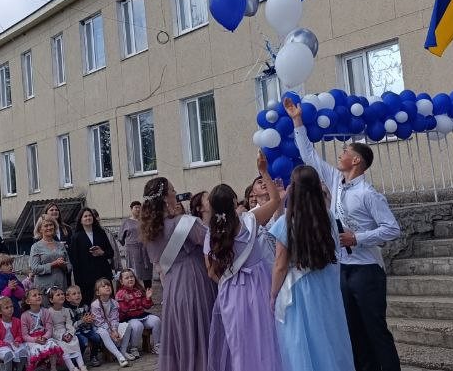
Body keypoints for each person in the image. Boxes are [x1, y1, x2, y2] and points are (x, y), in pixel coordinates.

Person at [285, 96, 401, 371]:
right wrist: (297, 121)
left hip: (367, 269)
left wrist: (357, 238)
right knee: (353, 331)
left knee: (375, 329)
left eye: (345, 150)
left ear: (356, 160)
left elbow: (392, 228)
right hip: (343, 267)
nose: (341, 153)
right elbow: (310, 156)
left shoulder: (368, 194)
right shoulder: (335, 180)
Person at [270, 165, 354, 371]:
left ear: (294, 189)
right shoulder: (328, 217)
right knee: (329, 337)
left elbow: (280, 265)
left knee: (301, 342)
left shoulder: (286, 222)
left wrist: (273, 294)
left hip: (299, 291)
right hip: (326, 284)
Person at [203, 159, 283, 371]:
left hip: (230, 291)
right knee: (265, 338)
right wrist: (263, 171)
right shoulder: (250, 220)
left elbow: (211, 272)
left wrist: (229, 281)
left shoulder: (211, 233)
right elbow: (276, 200)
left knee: (239, 343)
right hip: (258, 285)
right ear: (233, 202)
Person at [139, 177, 214, 371]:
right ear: (165, 198)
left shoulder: (150, 232)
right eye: (172, 191)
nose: (175, 194)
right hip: (194, 282)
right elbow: (214, 242)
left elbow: (158, 265)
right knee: (201, 332)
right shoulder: (184, 222)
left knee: (183, 336)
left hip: (172, 288)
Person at [67, 209, 112, 306]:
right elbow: (74, 260)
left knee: (106, 301)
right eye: (85, 216)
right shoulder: (76, 237)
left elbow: (111, 252)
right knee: (90, 302)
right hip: (86, 277)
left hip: (102, 273)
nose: (88, 218)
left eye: (90, 215)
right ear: (81, 220)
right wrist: (79, 281)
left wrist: (102, 252)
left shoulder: (101, 233)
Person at [112, 269, 158, 360]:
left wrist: (148, 298)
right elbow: (121, 312)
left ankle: (157, 345)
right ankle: (134, 347)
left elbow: (146, 306)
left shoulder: (138, 290)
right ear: (121, 281)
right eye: (127, 278)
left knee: (156, 320)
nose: (130, 279)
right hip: (128, 318)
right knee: (138, 325)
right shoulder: (120, 294)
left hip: (141, 314)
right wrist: (126, 302)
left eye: (131, 277)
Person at [86, 280, 128, 368]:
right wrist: (111, 332)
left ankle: (123, 351)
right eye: (103, 286)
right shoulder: (95, 305)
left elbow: (114, 319)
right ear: (98, 293)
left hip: (112, 327)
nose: (107, 287)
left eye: (108, 285)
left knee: (128, 326)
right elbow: (99, 322)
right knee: (103, 333)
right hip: (99, 327)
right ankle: (119, 356)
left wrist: (115, 330)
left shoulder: (114, 303)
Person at [19, 288, 62, 371]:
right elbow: (25, 335)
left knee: (52, 344)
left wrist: (45, 337)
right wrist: (35, 340)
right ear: (28, 301)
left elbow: (49, 329)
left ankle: (53, 368)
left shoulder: (45, 311)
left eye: (39, 294)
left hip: (44, 337)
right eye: (35, 295)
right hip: (32, 340)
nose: (38, 296)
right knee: (34, 350)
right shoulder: (24, 315)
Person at [45, 288, 84, 371]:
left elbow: (69, 323)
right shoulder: (49, 312)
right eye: (58, 295)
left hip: (65, 331)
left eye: (62, 294)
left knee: (75, 340)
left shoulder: (66, 310)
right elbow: (50, 328)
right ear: (51, 300)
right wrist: (61, 336)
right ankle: (72, 368)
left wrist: (70, 333)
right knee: (63, 345)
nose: (61, 296)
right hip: (56, 334)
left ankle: (82, 366)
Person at [63, 286, 101, 368]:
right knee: (84, 341)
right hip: (76, 332)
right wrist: (82, 321)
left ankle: (93, 356)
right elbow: (71, 325)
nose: (77, 295)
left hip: (86, 329)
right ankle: (78, 359)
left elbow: (89, 317)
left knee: (96, 337)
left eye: (79, 293)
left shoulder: (85, 306)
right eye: (74, 294)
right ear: (68, 298)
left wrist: (90, 319)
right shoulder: (68, 310)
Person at [28, 220, 70, 292]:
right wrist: (53, 264)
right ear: (40, 229)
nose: (49, 227)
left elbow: (69, 266)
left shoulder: (61, 245)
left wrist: (63, 266)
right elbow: (34, 269)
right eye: (46, 226)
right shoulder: (36, 247)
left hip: (61, 285)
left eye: (51, 225)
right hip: (44, 288)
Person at [115, 205, 151, 290]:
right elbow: (120, 238)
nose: (138, 209)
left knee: (147, 274)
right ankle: (134, 293)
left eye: (139, 207)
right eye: (136, 207)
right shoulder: (126, 222)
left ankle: (148, 293)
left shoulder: (145, 220)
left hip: (145, 251)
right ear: (131, 209)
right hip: (132, 251)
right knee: (133, 273)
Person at [0, 297, 25, 371]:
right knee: (8, 354)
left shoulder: (17, 321)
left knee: (23, 352)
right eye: (6, 308)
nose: (10, 309)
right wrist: (6, 344)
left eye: (11, 306)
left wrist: (17, 341)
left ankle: (19, 369)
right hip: (1, 347)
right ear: (0, 311)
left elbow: (20, 335)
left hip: (14, 344)